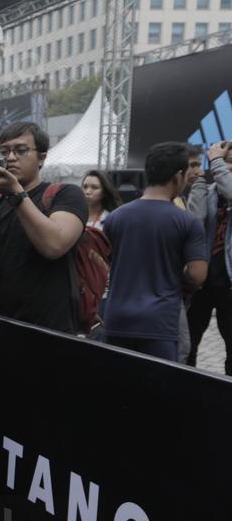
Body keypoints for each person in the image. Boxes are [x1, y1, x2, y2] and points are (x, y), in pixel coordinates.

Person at [0, 121, 88, 333]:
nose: (11, 158)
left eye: (21, 150)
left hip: (47, 328)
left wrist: (15, 193)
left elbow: (54, 246)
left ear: (42, 157)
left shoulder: (66, 194)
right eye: (4, 151)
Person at [102, 142, 207, 361]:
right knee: (159, 391)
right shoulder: (187, 222)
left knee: (117, 390)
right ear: (179, 176)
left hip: (116, 319)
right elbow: (198, 275)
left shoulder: (115, 218)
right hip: (159, 323)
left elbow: (107, 262)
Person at [185, 140, 232, 374]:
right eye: (227, 162)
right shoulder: (209, 190)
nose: (228, 167)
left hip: (229, 285)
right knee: (188, 345)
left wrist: (216, 161)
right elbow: (196, 217)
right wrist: (201, 180)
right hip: (203, 282)